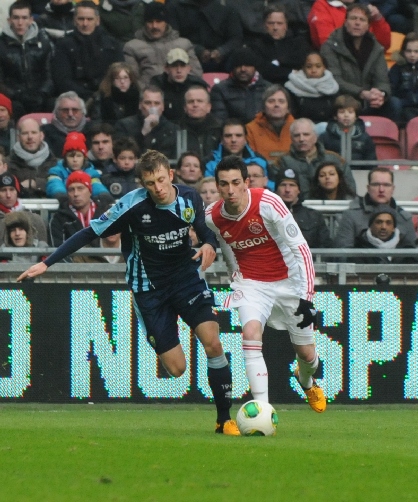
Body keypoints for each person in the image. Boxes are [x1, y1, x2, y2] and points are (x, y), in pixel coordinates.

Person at [20, 150, 239, 435]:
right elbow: (89, 233)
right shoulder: (131, 206)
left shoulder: (190, 197)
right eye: (150, 183)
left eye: (161, 180)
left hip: (187, 279)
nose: (158, 188)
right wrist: (47, 263)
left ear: (171, 175)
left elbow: (203, 229)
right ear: (142, 184)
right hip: (149, 290)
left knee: (213, 342)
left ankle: (225, 419)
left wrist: (208, 244)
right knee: (176, 369)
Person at [205, 155, 326, 411]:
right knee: (249, 334)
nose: (230, 190)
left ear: (246, 182)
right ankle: (262, 410)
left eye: (236, 182)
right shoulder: (212, 217)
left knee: (306, 355)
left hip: (289, 282)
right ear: (217, 187)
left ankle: (305, 379)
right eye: (224, 184)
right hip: (252, 284)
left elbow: (300, 248)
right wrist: (235, 276)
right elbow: (225, 246)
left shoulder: (268, 202)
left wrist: (307, 297)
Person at [321, 4, 399, 120]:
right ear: (346, 21)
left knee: (394, 103)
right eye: (353, 18)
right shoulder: (330, 46)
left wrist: (380, 94)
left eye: (362, 20)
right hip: (343, 98)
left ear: (368, 25)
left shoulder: (376, 48)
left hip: (369, 100)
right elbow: (335, 80)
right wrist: (362, 93)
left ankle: (388, 137)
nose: (357, 23)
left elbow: (383, 81)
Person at [52, 1, 124, 100]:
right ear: (74, 20)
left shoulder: (113, 45)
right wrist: (87, 96)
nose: (85, 24)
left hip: (107, 97)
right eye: (81, 19)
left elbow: (119, 75)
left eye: (90, 19)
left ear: (97, 20)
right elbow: (62, 80)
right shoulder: (63, 45)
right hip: (74, 99)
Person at [123, 2, 202, 89]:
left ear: (166, 23)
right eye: (150, 22)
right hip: (149, 96)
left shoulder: (184, 44)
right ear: (145, 24)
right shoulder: (132, 47)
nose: (154, 26)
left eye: (159, 21)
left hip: (180, 93)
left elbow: (196, 74)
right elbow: (133, 79)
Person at [271, 118, 356, 198]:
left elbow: (350, 190)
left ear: (315, 137)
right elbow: (272, 192)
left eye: (306, 134)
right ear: (291, 139)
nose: (301, 139)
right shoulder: (282, 161)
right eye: (297, 135)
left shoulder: (334, 159)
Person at [334, 167, 416, 248]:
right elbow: (343, 252)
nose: (381, 189)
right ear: (368, 188)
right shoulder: (351, 216)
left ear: (393, 189)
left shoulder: (404, 218)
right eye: (376, 184)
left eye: (386, 185)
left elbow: (412, 254)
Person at [0, 0, 55, 115]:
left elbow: (49, 74)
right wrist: (17, 95)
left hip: (40, 94)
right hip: (14, 97)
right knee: (15, 107)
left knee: (54, 104)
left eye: (24, 18)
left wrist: (42, 93)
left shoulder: (43, 42)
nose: (20, 22)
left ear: (31, 20)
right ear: (9, 20)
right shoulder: (1, 45)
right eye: (16, 18)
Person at [165, 0, 242, 72]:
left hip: (223, 60)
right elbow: (173, 38)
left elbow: (236, 38)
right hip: (187, 58)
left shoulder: (227, 6)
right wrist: (198, 50)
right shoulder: (175, 6)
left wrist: (222, 51)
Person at [48, 170, 113, 247]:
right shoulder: (59, 218)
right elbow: (57, 251)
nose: (76, 194)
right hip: (72, 258)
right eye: (71, 189)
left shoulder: (106, 213)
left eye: (80, 188)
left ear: (90, 191)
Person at [251, 4, 311, 86]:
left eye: (279, 23)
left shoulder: (299, 43)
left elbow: (301, 63)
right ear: (265, 25)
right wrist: (290, 71)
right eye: (271, 23)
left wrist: (277, 62)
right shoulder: (257, 45)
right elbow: (263, 70)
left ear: (286, 25)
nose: (275, 27)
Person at [114, 86, 178, 159]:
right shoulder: (124, 125)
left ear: (163, 107)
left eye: (157, 103)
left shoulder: (173, 129)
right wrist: (143, 133)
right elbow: (122, 155)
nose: (152, 107)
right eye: (148, 103)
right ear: (140, 105)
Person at [274, 167, 332, 248]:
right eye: (283, 185)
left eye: (292, 185)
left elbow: (325, 247)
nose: (287, 190)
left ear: (299, 190)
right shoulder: (265, 214)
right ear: (276, 190)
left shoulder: (314, 216)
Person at [210, 48, 270, 123]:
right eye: (238, 65)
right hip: (234, 133)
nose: (243, 69)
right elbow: (219, 121)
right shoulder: (220, 89)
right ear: (233, 68)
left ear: (255, 68)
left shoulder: (269, 89)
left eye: (247, 65)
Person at [46, 131, 109, 200]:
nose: (75, 160)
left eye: (79, 156)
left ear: (84, 158)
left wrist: (103, 194)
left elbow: (96, 186)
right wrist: (60, 195)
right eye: (71, 156)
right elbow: (55, 184)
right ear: (65, 158)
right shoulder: (56, 172)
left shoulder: (91, 173)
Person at [149, 48, 208, 122]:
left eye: (182, 66)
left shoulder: (197, 85)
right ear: (166, 69)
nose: (179, 70)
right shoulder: (157, 85)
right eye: (174, 66)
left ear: (189, 68)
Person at [308, 0, 391, 50]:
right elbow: (327, 45)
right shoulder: (322, 6)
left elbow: (383, 46)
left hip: (367, 62)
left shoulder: (366, 7)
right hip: (336, 63)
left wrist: (378, 19)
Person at [318, 95, 377, 165]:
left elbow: (371, 163)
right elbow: (319, 161)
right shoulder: (325, 137)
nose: (346, 115)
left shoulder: (365, 138)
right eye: (342, 112)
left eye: (350, 112)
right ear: (335, 116)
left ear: (356, 116)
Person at [7, 117, 58, 197]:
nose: (30, 137)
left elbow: (62, 187)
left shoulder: (55, 163)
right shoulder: (7, 164)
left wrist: (35, 183)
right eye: (25, 133)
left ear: (41, 136)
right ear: (18, 137)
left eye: (34, 133)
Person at [285, 51, 340, 124]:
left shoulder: (332, 87)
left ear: (324, 68)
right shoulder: (292, 87)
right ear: (303, 68)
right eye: (309, 66)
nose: (313, 70)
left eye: (318, 66)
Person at [246, 85, 296, 163]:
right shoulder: (250, 129)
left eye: (281, 101)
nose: (276, 105)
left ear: (288, 108)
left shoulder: (298, 129)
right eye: (271, 101)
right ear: (263, 107)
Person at [0, 173, 48, 244]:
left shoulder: (34, 219)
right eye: (3, 190)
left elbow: (43, 249)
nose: (8, 195)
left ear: (17, 192)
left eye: (12, 189)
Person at [180, 86, 222, 161]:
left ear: (209, 107)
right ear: (185, 108)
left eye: (200, 101)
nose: (195, 105)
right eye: (190, 101)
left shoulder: (220, 130)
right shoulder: (176, 130)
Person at [42, 92, 88, 157]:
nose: (70, 114)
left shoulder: (93, 131)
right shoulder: (44, 133)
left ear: (83, 112)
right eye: (65, 110)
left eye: (75, 110)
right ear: (56, 112)